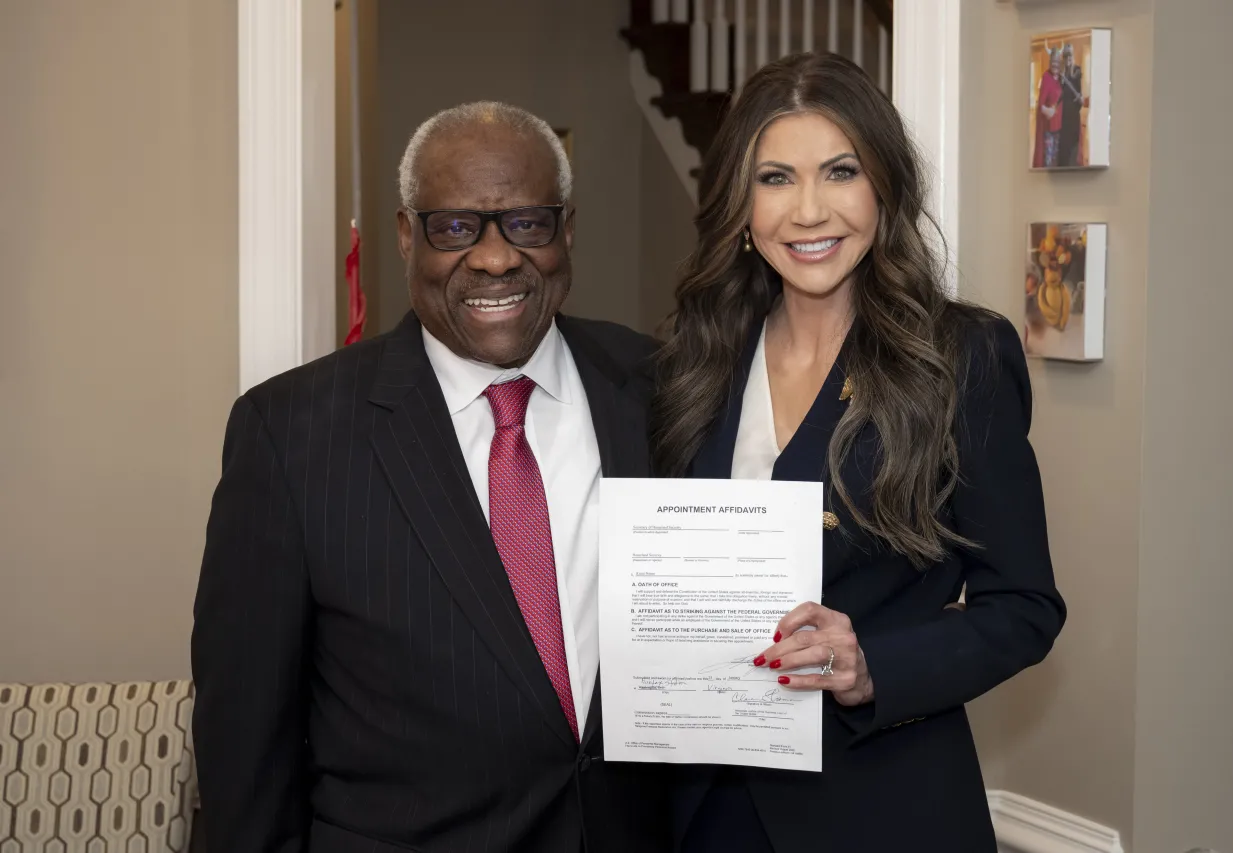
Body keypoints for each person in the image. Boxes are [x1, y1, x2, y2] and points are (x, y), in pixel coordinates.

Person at [191, 101, 669, 853]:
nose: (495, 258)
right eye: (455, 228)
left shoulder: (661, 390)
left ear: (566, 231)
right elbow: (245, 748)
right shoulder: (288, 435)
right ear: (407, 236)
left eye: (527, 223)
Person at [650, 52, 1067, 853]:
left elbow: (1024, 607)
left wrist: (873, 662)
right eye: (775, 178)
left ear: (885, 188)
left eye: (839, 171)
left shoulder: (961, 357)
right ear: (739, 205)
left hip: (879, 806)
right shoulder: (689, 361)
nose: (808, 210)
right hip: (704, 809)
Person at [1033, 48, 1063, 168]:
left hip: (1059, 127)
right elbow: (1040, 105)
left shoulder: (1061, 78)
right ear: (1049, 62)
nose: (1055, 64)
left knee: (1056, 159)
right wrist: (1047, 111)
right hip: (1049, 129)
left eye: (1057, 61)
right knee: (1048, 162)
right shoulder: (1046, 77)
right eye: (1052, 61)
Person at [1058, 44, 1086, 168]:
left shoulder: (1077, 71)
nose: (1068, 58)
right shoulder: (1060, 74)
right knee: (1063, 149)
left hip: (1073, 115)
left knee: (1074, 148)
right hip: (1063, 116)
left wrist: (1080, 99)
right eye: (1065, 55)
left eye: (1070, 55)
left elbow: (1080, 94)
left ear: (1072, 56)